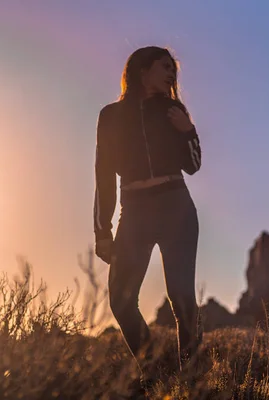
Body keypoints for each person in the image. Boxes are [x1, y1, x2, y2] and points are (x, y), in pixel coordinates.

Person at [92, 46, 202, 376]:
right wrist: (102, 230)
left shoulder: (172, 109)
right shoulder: (110, 115)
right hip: (134, 212)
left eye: (174, 69)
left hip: (176, 208)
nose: (171, 73)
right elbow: (103, 174)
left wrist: (188, 131)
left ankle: (191, 378)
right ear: (142, 70)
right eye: (164, 66)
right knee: (121, 301)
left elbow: (193, 166)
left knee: (182, 298)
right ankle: (158, 371)